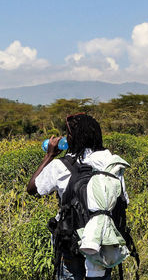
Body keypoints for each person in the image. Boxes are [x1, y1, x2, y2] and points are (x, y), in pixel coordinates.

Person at [27, 113, 130, 280]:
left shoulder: (61, 165)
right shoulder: (112, 163)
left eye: (68, 134)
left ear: (72, 138)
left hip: (70, 240)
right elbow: (123, 201)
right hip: (104, 240)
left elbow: (33, 189)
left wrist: (50, 156)